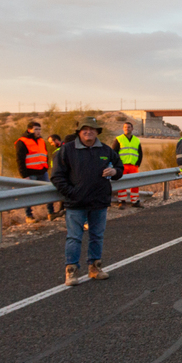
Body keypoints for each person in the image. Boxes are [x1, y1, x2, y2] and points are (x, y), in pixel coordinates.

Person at [50, 117, 124, 286]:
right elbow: (57, 176)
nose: (88, 131)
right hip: (76, 203)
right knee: (74, 237)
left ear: (97, 132)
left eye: (92, 129)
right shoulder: (67, 150)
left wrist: (115, 171)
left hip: (99, 201)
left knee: (97, 236)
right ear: (79, 132)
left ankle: (95, 268)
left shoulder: (105, 150)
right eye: (85, 129)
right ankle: (72, 271)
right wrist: (71, 193)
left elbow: (120, 168)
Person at [15, 121, 57, 223]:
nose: (38, 131)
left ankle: (51, 213)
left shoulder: (41, 141)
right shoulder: (22, 141)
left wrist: (45, 167)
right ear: (30, 130)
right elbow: (20, 159)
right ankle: (29, 216)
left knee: (49, 191)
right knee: (29, 194)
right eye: (36, 129)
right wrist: (24, 175)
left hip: (42, 171)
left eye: (39, 129)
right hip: (30, 173)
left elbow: (45, 155)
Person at [112, 121, 143, 207]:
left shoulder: (136, 140)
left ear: (132, 129)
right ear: (123, 128)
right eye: (125, 127)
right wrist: (117, 164)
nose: (127, 128)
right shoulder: (119, 139)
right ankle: (122, 201)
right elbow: (114, 152)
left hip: (133, 166)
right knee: (122, 183)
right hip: (122, 166)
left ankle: (135, 201)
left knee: (135, 184)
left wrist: (138, 163)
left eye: (129, 127)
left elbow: (140, 153)